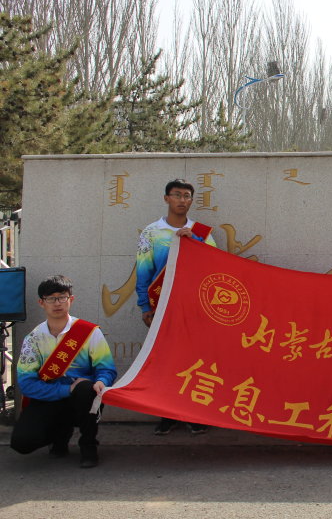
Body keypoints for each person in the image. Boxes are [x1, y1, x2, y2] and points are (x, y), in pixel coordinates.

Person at [136, 178, 217, 436]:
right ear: (166, 198)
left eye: (187, 196)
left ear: (192, 200)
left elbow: (216, 266)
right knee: (165, 360)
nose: (182, 200)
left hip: (194, 307)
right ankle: (167, 414)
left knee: (194, 360)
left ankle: (193, 413)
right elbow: (143, 271)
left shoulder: (201, 232)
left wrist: (194, 242)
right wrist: (145, 306)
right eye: (177, 195)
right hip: (162, 305)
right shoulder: (151, 232)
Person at [10, 275, 116, 468]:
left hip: (83, 398)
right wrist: (66, 390)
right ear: (41, 303)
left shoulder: (89, 332)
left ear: (71, 299)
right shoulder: (33, 339)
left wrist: (101, 382)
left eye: (62, 297)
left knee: (86, 389)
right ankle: (59, 436)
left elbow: (106, 368)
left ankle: (88, 446)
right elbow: (26, 383)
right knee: (21, 442)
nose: (57, 303)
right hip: (49, 396)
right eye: (51, 298)